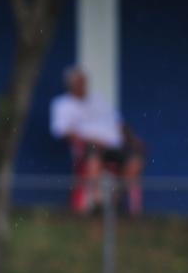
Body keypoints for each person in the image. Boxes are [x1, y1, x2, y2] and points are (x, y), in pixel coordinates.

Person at [50, 66, 145, 215]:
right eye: (79, 82)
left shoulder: (97, 99)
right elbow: (61, 131)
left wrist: (132, 138)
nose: (83, 85)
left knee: (134, 159)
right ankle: (94, 204)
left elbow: (118, 122)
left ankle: (118, 200)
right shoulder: (62, 104)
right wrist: (87, 139)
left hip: (114, 146)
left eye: (84, 81)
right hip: (89, 146)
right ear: (70, 84)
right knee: (93, 159)